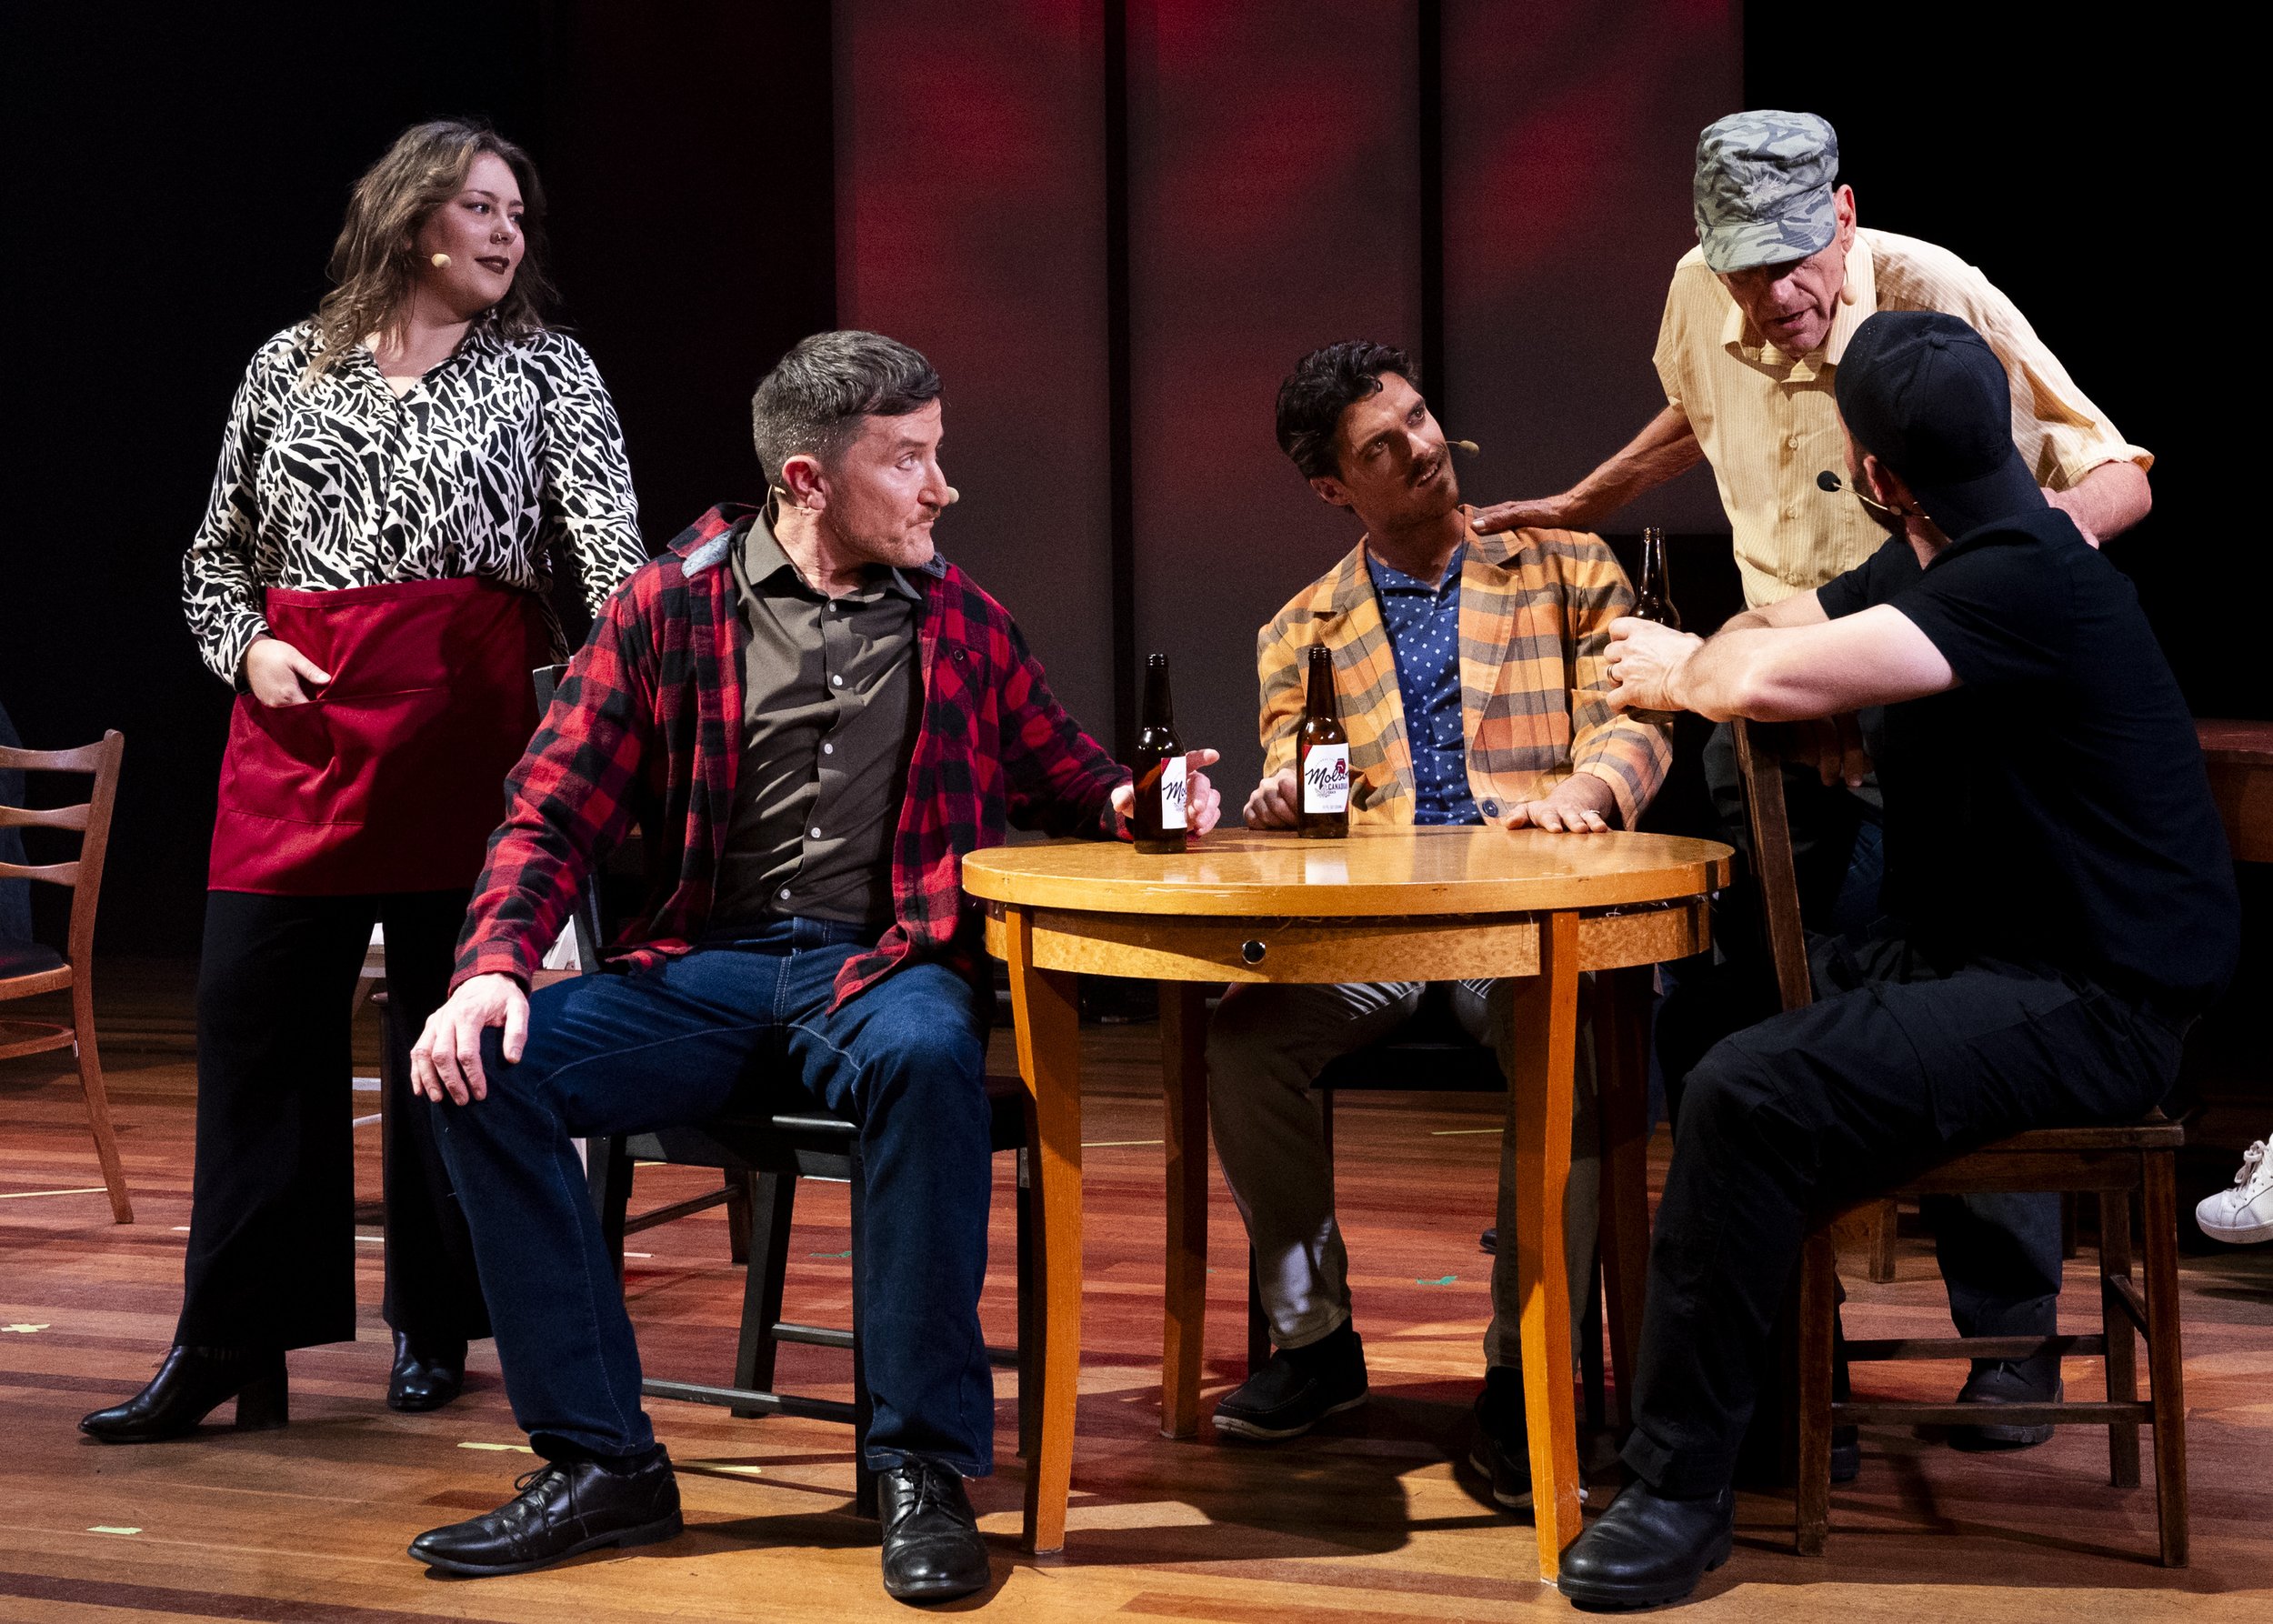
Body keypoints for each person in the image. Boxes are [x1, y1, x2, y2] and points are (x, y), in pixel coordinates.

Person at [396, 331, 1223, 1606]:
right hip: (709, 967)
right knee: (477, 1069)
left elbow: (1077, 771)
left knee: (930, 1053)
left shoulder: (959, 619)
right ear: (807, 479)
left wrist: (1155, 796)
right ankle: (603, 1459)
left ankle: (917, 1468)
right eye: (908, 460)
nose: (941, 487)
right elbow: (551, 809)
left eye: (937, 454)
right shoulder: (670, 607)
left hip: (880, 967)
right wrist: (491, 966)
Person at [1475, 110, 2157, 1446]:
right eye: (1744, 272)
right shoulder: (1701, 293)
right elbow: (1698, 402)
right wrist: (1584, 499)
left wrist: (1990, 592)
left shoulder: (1928, 295)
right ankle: (1800, 1359)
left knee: (1966, 987)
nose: (1773, 298)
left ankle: (2013, 1341)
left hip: (1932, 704)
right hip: (1778, 708)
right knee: (1768, 1017)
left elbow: (2112, 470)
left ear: (1843, 219)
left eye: (1795, 266)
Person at [1550, 309, 2238, 1609]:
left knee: (1754, 1091)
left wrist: (1695, 665)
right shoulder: (1950, 551)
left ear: (1873, 471)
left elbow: (1753, 677)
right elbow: (1777, 635)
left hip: (2095, 998)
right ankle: (1770, 1413)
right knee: (1717, 1029)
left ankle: (1676, 1490)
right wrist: (1739, 661)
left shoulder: (2024, 574)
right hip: (1993, 959)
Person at [82, 121, 644, 1444]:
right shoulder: (289, 364)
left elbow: (613, 561)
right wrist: (248, 648)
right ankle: (231, 1336)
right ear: (409, 219)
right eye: (480, 206)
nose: (508, 231)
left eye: (520, 211)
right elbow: (211, 557)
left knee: (446, 1046)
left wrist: (587, 707)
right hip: (300, 736)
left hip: (471, 737)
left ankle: (437, 1319)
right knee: (250, 1024)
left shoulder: (548, 371)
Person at [1207, 342, 1670, 1504]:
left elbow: (1638, 713)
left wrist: (1586, 794)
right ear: (1332, 487)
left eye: (1417, 420)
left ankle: (1528, 1370)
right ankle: (1314, 1344)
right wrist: (1279, 803)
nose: (1420, 448)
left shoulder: (1565, 565)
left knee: (1557, 1048)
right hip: (1377, 932)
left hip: (1523, 917)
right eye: (1382, 445)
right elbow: (1294, 770)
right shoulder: (1300, 626)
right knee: (1244, 1043)